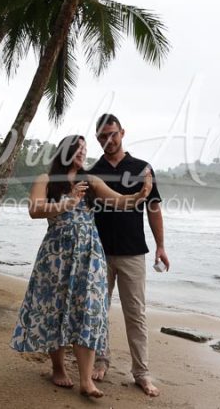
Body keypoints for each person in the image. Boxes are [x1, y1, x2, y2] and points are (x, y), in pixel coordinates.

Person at [10, 135, 152, 398]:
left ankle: (86, 381)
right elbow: (34, 210)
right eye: (79, 149)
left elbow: (118, 201)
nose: (83, 153)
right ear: (65, 152)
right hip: (56, 254)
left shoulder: (91, 181)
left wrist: (139, 196)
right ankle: (58, 369)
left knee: (87, 309)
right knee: (55, 308)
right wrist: (68, 201)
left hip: (89, 253)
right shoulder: (46, 179)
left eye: (85, 150)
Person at [89, 113, 170, 397]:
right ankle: (101, 360)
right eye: (102, 136)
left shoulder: (142, 168)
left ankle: (142, 373)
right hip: (98, 253)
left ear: (122, 132)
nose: (108, 140)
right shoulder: (93, 171)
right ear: (97, 138)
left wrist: (160, 246)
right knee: (98, 312)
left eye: (112, 134)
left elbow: (154, 208)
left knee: (136, 314)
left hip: (133, 251)